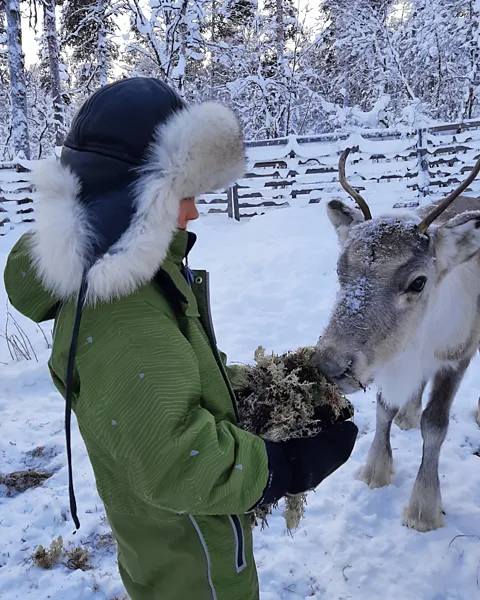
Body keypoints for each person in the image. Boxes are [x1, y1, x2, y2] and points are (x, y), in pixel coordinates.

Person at [4, 77, 358, 600]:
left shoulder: (139, 279)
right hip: (193, 565)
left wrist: (281, 383)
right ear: (134, 196)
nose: (193, 212)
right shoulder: (121, 308)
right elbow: (176, 461)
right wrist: (287, 467)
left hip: (178, 548)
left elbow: (181, 385)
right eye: (183, 196)